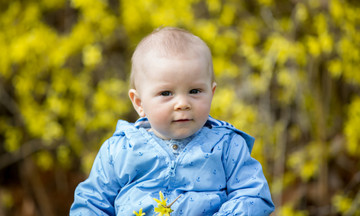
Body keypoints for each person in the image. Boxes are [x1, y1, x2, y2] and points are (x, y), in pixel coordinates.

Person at [70, 27, 275, 215]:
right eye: (166, 93)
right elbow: (90, 204)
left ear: (211, 93)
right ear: (139, 102)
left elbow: (254, 196)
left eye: (195, 91)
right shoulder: (120, 150)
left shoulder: (227, 145)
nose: (182, 103)